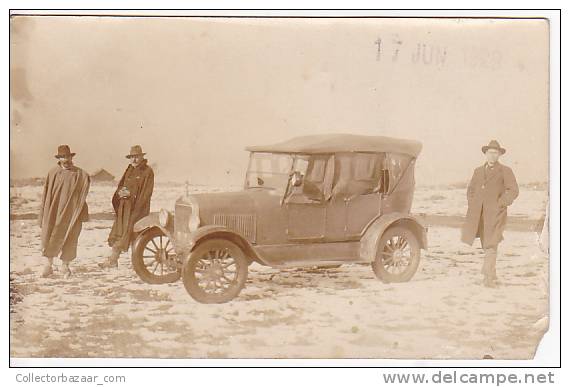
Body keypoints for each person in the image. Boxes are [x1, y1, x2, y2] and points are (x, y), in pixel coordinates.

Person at [461, 140, 519, 287]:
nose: (492, 156)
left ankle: (488, 278)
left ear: (499, 154)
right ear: (485, 154)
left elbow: (513, 190)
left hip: (495, 214)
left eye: (495, 153)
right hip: (478, 215)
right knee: (486, 243)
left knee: (491, 244)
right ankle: (491, 273)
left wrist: (501, 203)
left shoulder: (505, 171)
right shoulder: (478, 171)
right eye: (490, 153)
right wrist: (473, 203)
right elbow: (471, 189)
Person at [38, 145, 90, 278]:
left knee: (70, 238)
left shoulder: (80, 175)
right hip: (53, 213)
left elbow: (82, 196)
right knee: (50, 236)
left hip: (71, 215)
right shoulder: (53, 173)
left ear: (71, 157)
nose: (65, 159)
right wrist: (42, 216)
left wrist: (81, 213)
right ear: (59, 158)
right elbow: (46, 195)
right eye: (62, 157)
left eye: (67, 156)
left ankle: (65, 267)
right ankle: (48, 266)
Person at [99, 145, 154, 268]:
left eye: (137, 157)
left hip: (137, 208)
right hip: (124, 208)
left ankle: (136, 263)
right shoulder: (129, 169)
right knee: (119, 232)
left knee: (134, 234)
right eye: (132, 157)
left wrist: (132, 197)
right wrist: (120, 193)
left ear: (141, 157)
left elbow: (146, 193)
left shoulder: (147, 171)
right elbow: (121, 185)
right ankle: (113, 260)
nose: (134, 160)